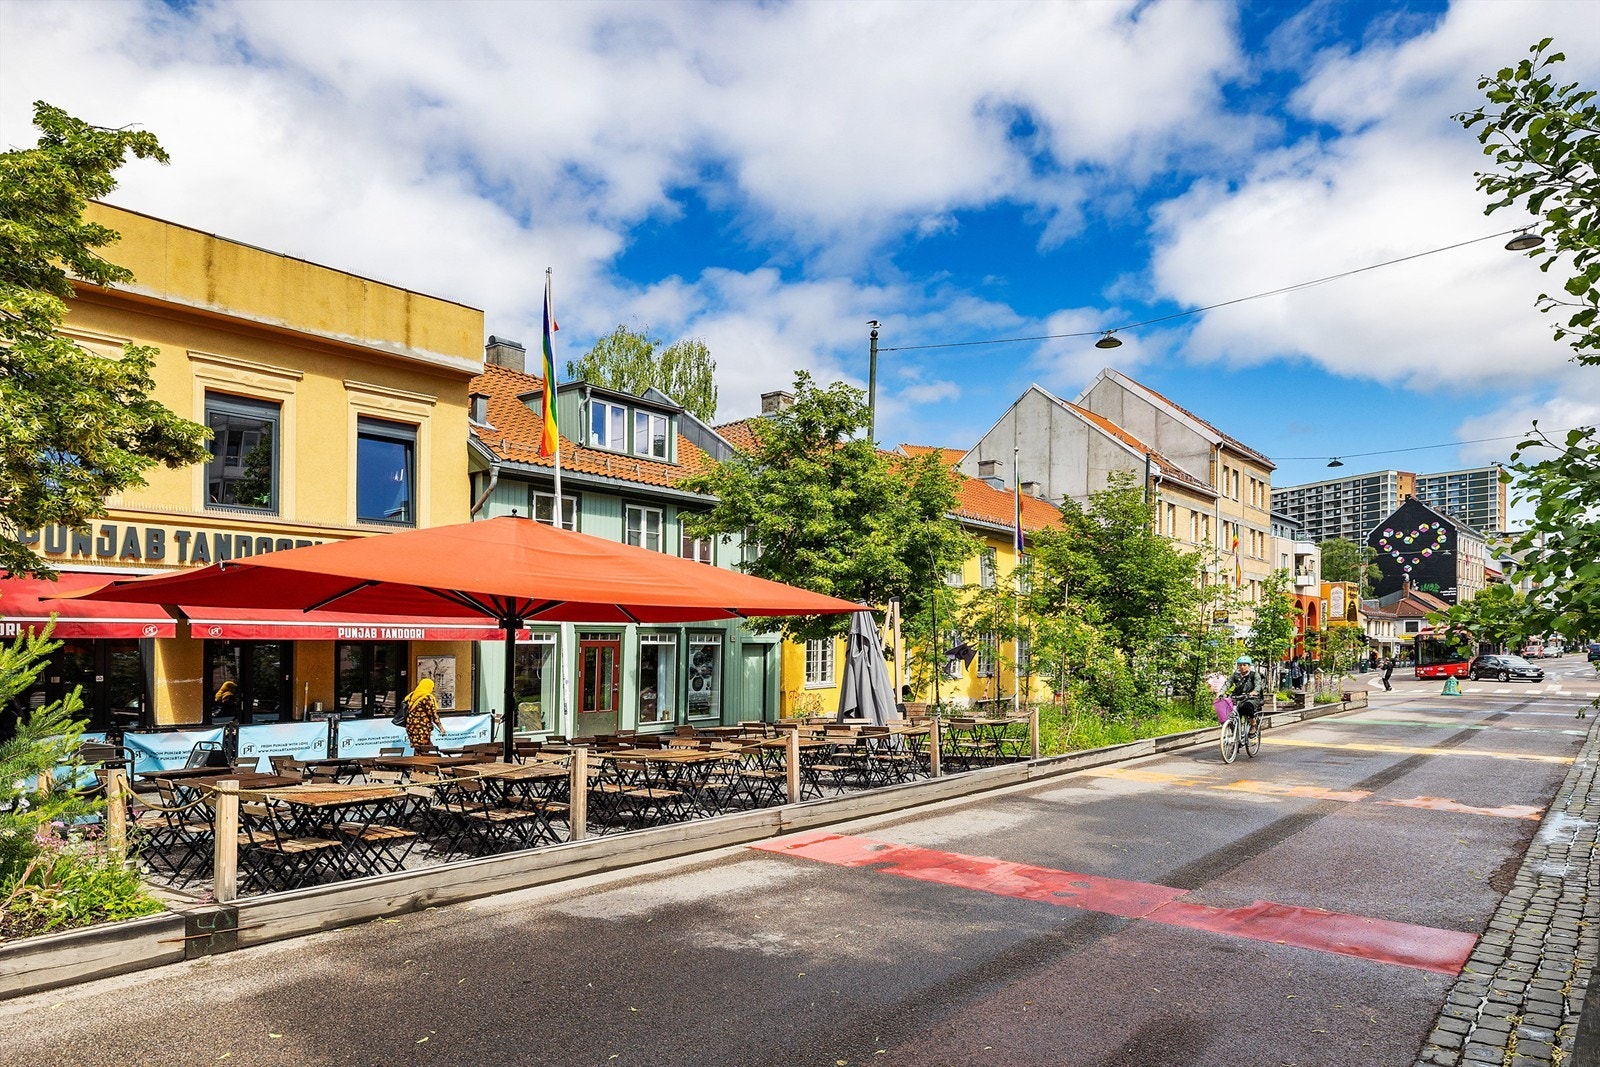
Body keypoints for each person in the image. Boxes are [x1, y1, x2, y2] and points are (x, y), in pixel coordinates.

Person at [403, 677, 442, 750]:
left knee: (420, 748)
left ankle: (420, 760)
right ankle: (418, 761)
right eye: (432, 687)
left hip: (411, 727)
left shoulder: (412, 695)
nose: (432, 689)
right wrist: (441, 727)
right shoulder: (427, 697)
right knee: (422, 749)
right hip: (422, 727)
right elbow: (433, 714)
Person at [1227, 655, 1262, 726]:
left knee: (1247, 706)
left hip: (1252, 698)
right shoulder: (1235, 675)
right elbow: (1227, 684)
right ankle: (1236, 728)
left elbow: (1258, 686)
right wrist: (1220, 693)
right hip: (1238, 697)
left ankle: (1253, 723)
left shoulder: (1254, 675)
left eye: (1244, 665)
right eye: (1239, 665)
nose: (1242, 667)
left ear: (1249, 666)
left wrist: (1254, 692)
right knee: (1229, 709)